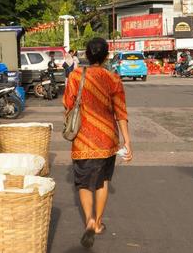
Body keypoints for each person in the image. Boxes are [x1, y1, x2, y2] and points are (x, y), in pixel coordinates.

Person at [63, 38, 132, 248]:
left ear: (86, 55)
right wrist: (127, 142)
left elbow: (67, 103)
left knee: (84, 183)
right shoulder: (113, 78)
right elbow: (120, 112)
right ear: (106, 56)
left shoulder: (76, 75)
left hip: (83, 140)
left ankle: (89, 220)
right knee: (102, 181)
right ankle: (99, 222)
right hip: (107, 140)